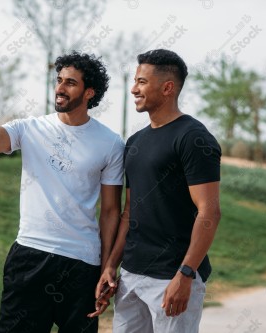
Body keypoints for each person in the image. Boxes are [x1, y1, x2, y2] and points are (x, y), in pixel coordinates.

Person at [0, 52, 124, 333]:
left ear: (90, 92)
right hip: (30, 256)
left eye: (71, 83)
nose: (60, 88)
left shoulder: (111, 143)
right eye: (59, 80)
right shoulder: (29, 128)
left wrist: (105, 267)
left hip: (82, 264)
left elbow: (111, 211)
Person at [90, 49, 222, 333]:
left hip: (171, 276)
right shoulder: (135, 141)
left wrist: (185, 275)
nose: (133, 89)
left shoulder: (194, 138)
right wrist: (111, 266)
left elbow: (209, 212)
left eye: (141, 82)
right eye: (135, 81)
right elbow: (130, 212)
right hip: (131, 275)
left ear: (167, 87)